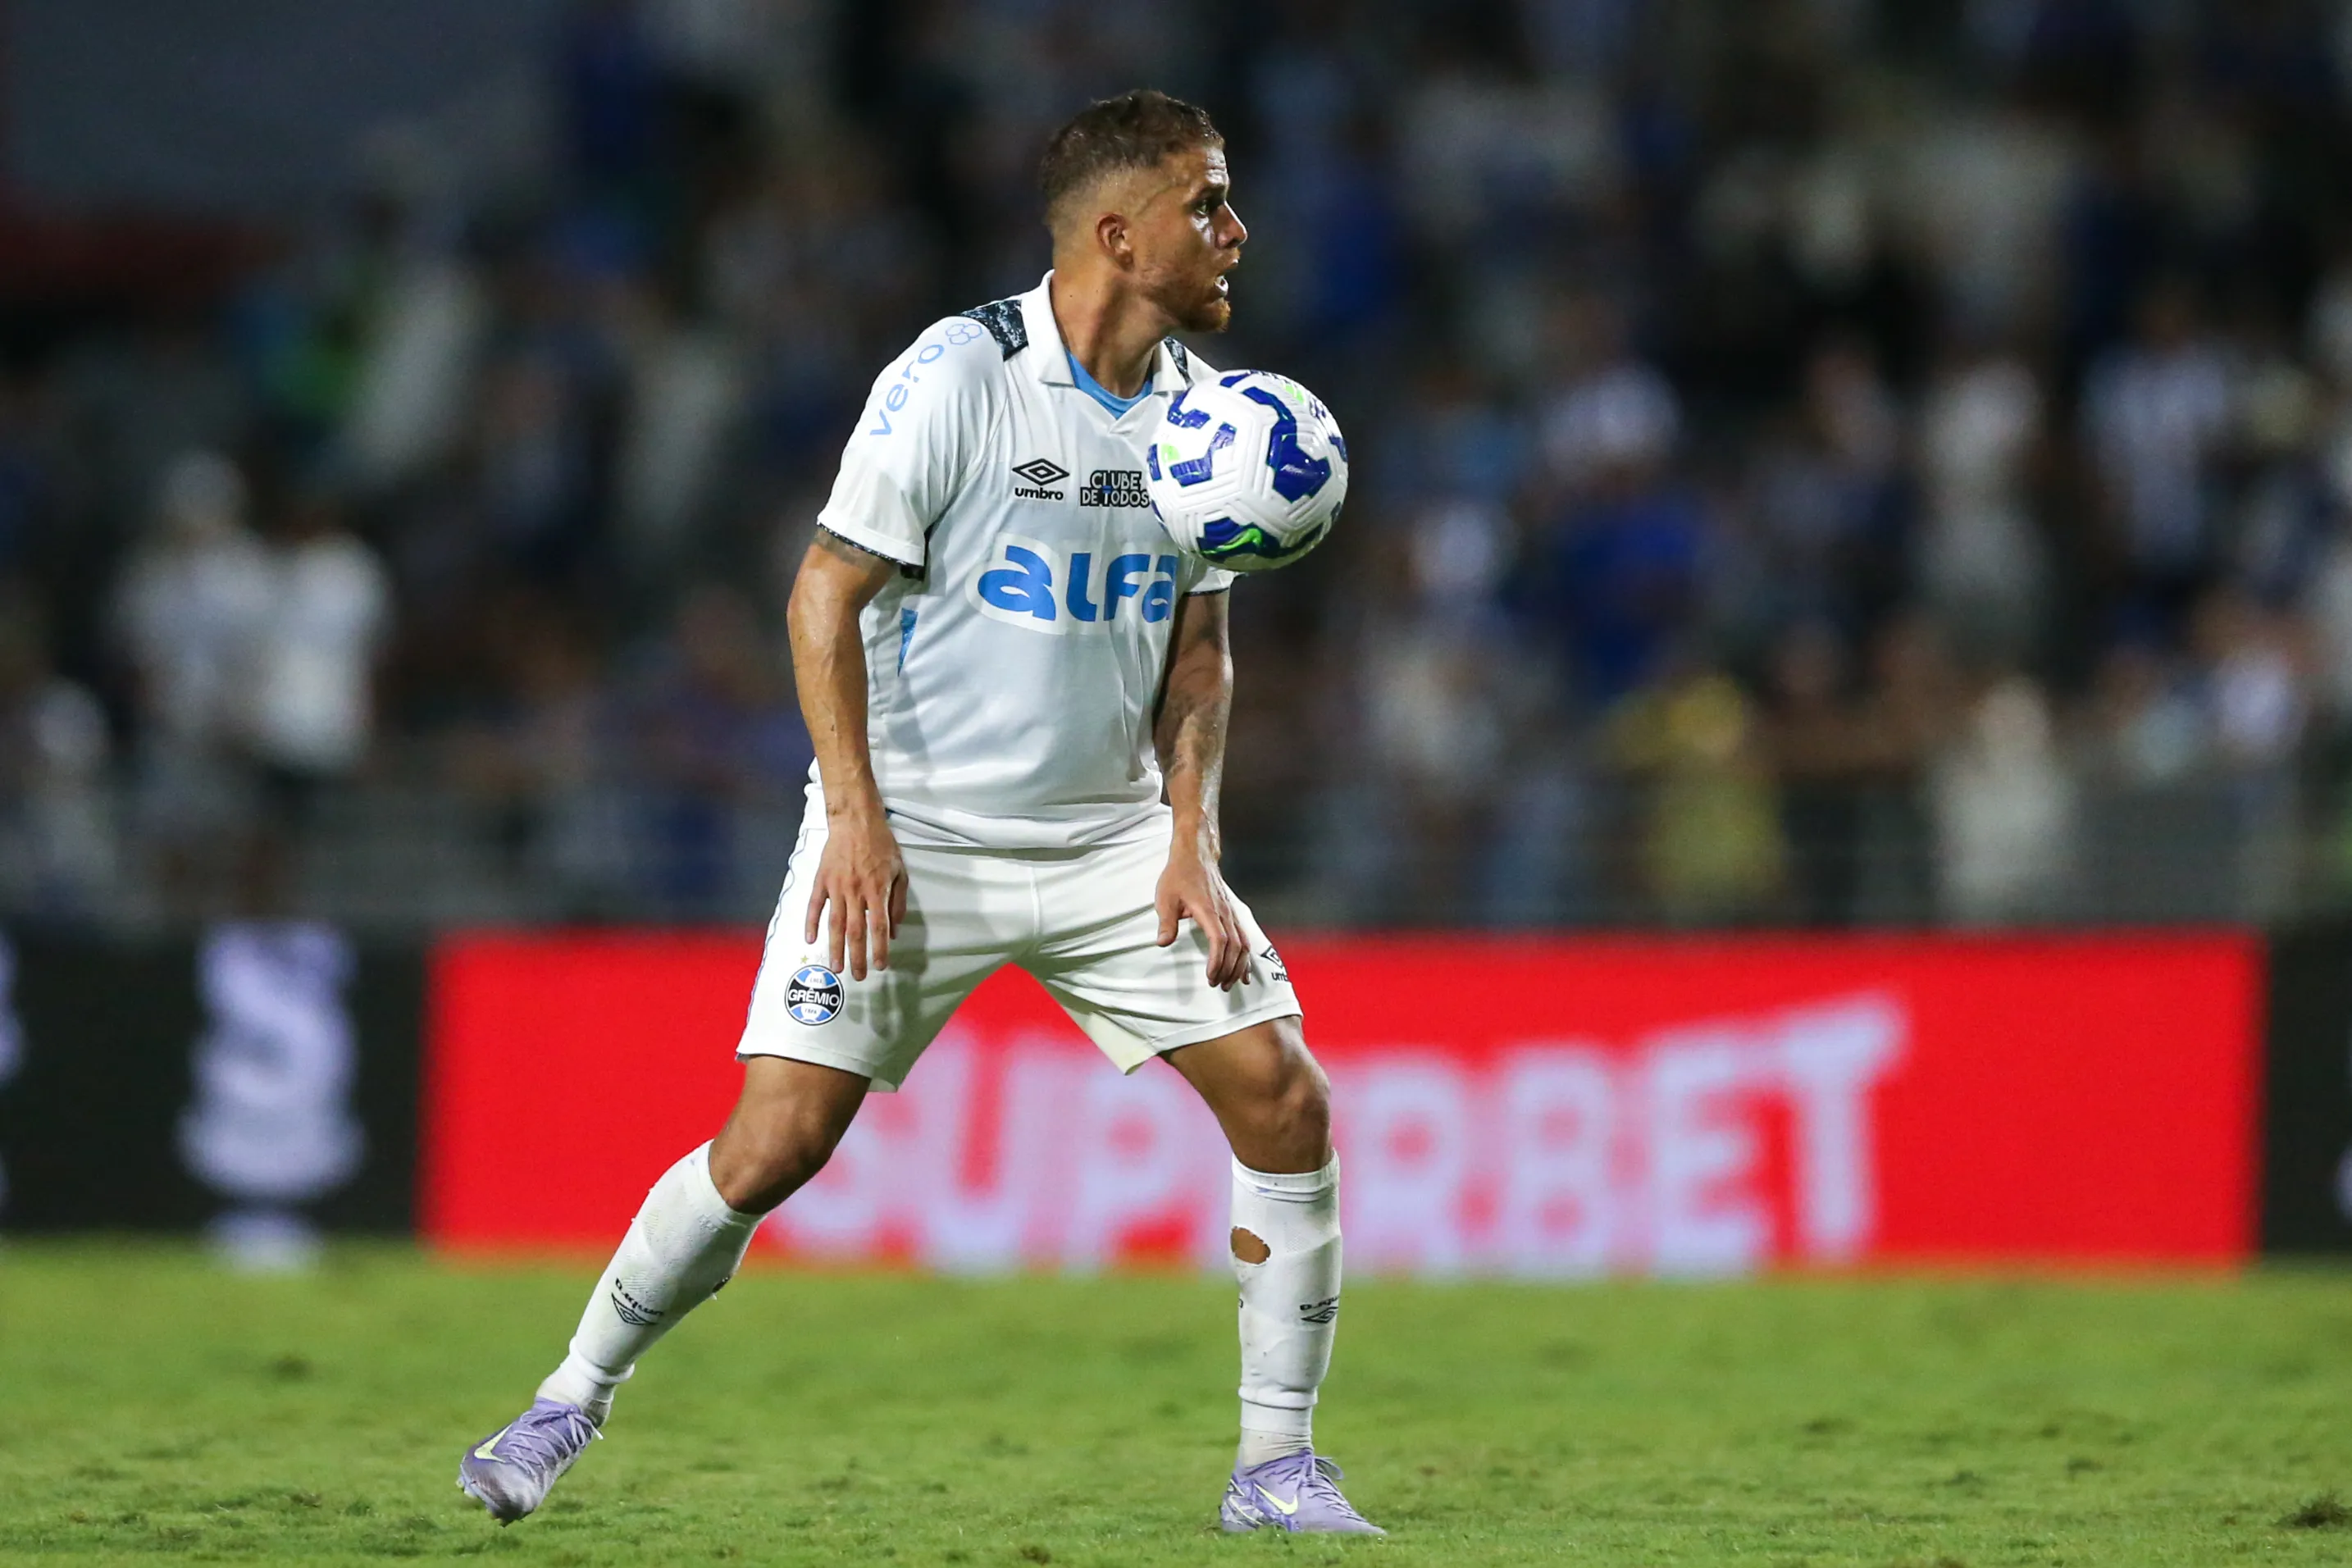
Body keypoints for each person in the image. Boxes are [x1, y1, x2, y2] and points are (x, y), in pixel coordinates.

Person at [456, 90, 1381, 1538]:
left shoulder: (1217, 425)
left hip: (1111, 844)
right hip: (919, 834)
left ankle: (1275, 1468)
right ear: (1120, 232)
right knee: (774, 1147)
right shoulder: (956, 375)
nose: (1235, 230)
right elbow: (826, 593)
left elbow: (1198, 655)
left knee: (1286, 1097)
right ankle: (568, 1397)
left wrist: (1191, 841)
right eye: (1208, 204)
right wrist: (855, 816)